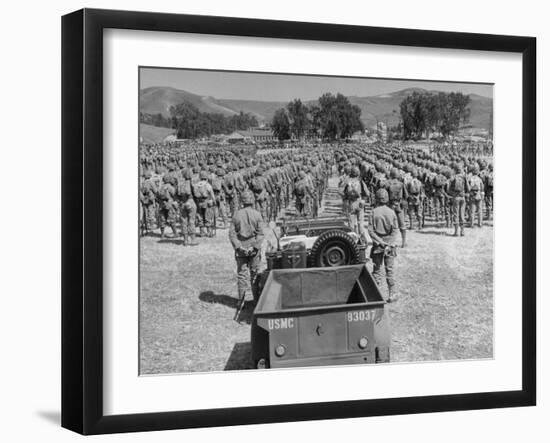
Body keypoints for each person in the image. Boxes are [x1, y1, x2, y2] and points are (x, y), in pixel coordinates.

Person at [228, 190, 264, 322]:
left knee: (242, 275)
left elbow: (231, 234)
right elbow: (261, 233)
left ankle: (241, 302)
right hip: (254, 249)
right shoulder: (257, 215)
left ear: (242, 201)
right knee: (255, 275)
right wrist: (254, 246)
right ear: (252, 200)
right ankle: (256, 301)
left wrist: (239, 247)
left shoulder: (236, 215)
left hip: (241, 249)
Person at [368, 188, 400, 303]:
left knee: (376, 270)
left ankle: (375, 295)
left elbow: (370, 231)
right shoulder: (391, 212)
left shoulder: (373, 212)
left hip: (377, 245)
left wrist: (379, 241)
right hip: (389, 245)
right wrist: (389, 243)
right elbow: (395, 230)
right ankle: (392, 294)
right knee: (389, 270)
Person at [343, 166, 369, 242]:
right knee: (360, 222)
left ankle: (352, 239)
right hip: (359, 202)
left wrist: (346, 203)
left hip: (351, 203)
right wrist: (363, 201)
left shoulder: (347, 182)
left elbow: (343, 193)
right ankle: (362, 238)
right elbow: (367, 193)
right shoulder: (360, 182)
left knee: (351, 222)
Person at [447, 166, 470, 236]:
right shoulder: (464, 177)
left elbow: (448, 190)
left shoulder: (453, 178)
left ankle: (456, 232)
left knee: (456, 214)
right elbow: (468, 188)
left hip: (456, 198)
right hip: (462, 197)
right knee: (462, 214)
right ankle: (462, 231)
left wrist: (453, 193)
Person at [193, 170, 216, 237]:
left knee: (200, 217)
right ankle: (209, 232)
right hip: (206, 202)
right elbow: (212, 195)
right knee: (208, 216)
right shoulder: (208, 185)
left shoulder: (196, 185)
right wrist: (214, 201)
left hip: (198, 203)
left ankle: (202, 232)